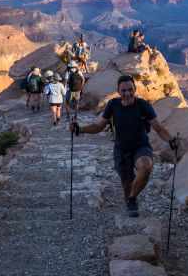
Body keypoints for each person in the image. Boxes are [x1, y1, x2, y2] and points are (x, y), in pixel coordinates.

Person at [70, 75, 179, 217]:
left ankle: (133, 198)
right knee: (127, 183)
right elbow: (99, 126)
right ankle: (130, 199)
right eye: (124, 90)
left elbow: (158, 127)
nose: (127, 93)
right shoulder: (113, 105)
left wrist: (170, 140)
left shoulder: (143, 105)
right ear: (118, 91)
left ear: (135, 89)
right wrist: (80, 129)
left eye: (130, 89)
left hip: (141, 146)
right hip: (121, 149)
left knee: (146, 166)